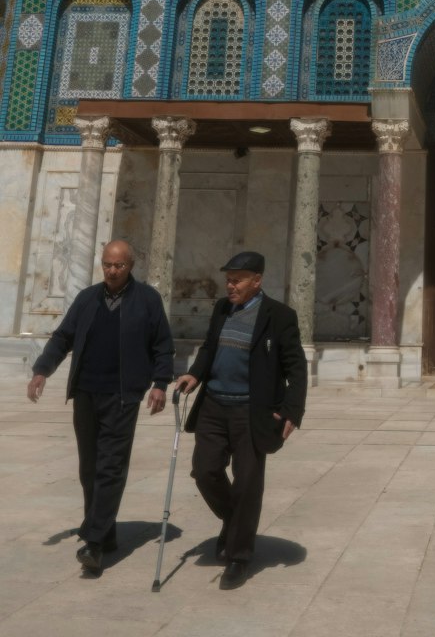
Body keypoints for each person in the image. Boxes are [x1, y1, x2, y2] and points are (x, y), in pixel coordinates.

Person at [27, 238, 174, 575]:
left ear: (130, 266)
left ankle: (93, 542)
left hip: (122, 396)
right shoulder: (87, 298)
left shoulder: (147, 300)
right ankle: (105, 533)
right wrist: (41, 371)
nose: (111, 270)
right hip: (87, 393)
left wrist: (160, 384)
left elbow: (162, 345)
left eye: (118, 265)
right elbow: (63, 337)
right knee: (89, 468)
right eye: (107, 264)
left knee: (110, 466)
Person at [175, 251, 307, 589]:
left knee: (247, 482)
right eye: (228, 279)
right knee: (205, 470)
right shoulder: (222, 309)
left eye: (237, 280)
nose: (230, 285)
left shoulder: (279, 316)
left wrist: (292, 410)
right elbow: (209, 348)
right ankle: (235, 521)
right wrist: (194, 375)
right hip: (215, 406)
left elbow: (296, 368)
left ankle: (238, 556)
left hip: (252, 411)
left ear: (256, 281)